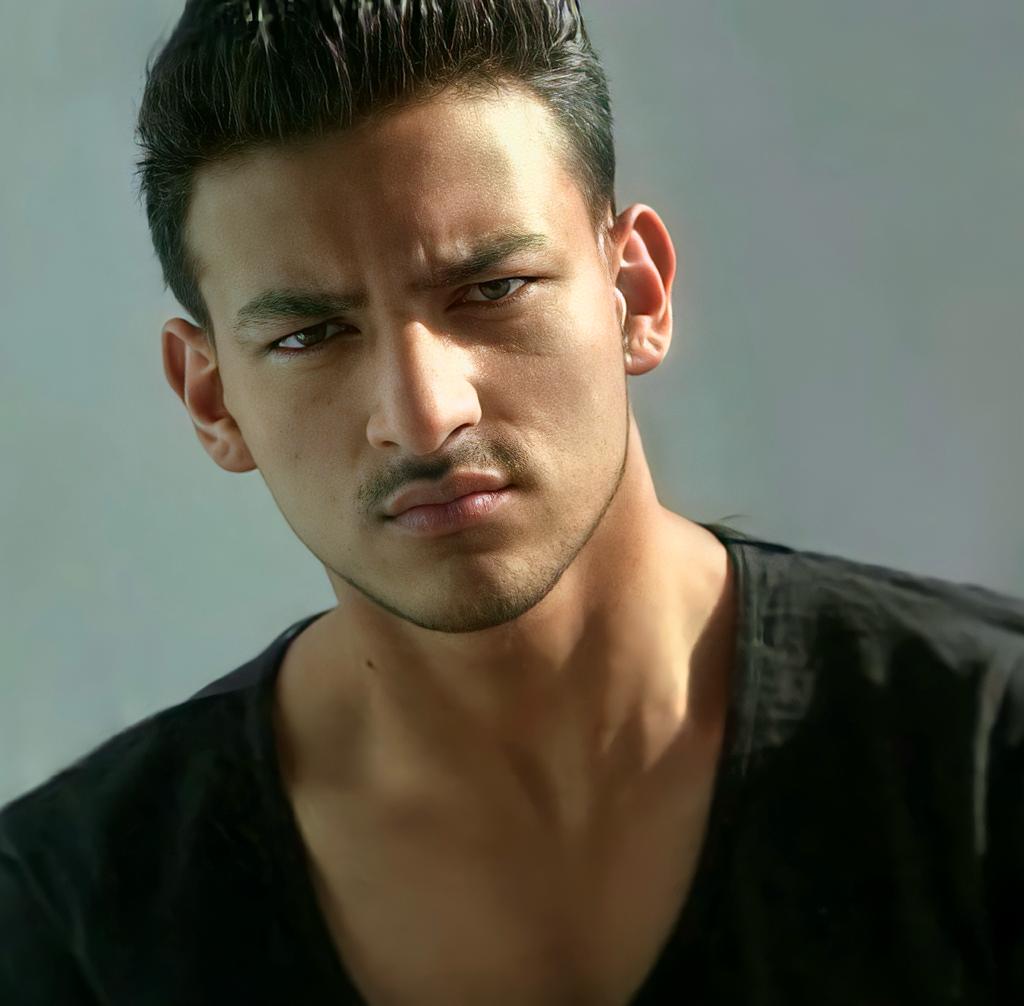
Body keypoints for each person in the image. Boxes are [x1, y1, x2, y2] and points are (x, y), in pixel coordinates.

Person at [1, 1, 1021, 1002]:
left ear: (636, 294)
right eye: (309, 335)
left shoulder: (984, 751)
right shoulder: (70, 918)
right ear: (212, 398)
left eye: (492, 290)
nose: (423, 415)